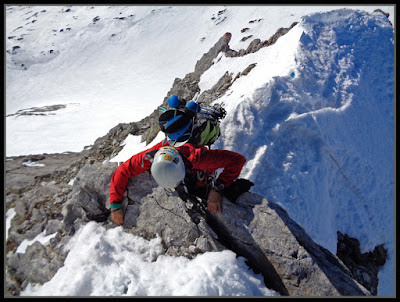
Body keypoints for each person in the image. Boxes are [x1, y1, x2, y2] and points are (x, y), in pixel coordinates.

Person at [109, 140, 247, 226]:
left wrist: (217, 188)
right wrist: (115, 206)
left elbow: (237, 161)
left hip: (202, 182)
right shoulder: (151, 156)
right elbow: (123, 170)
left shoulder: (198, 158)